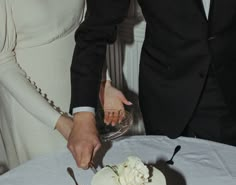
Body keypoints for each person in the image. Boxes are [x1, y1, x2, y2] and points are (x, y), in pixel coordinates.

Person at [68, 0, 236, 168]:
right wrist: (83, 116)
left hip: (226, 88)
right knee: (166, 178)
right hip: (165, 91)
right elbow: (95, 29)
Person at [0, 0, 130, 170]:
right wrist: (60, 122)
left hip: (77, 94)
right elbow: (3, 62)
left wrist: (103, 83)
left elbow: (90, 28)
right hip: (31, 110)